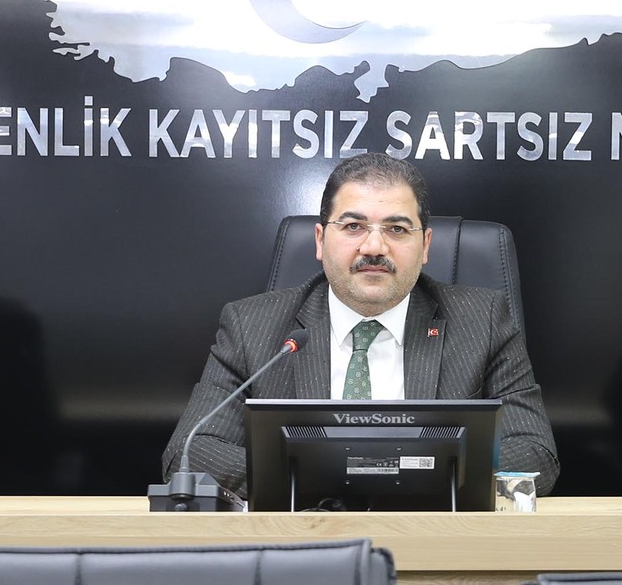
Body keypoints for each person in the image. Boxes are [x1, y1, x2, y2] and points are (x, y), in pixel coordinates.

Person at [163, 153, 559, 500]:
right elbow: (191, 452)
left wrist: (387, 477)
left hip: (434, 536)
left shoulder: (483, 320)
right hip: (305, 539)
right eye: (353, 226)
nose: (373, 247)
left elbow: (534, 453)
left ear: (425, 246)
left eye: (397, 229)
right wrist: (335, 479)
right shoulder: (252, 325)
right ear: (320, 240)